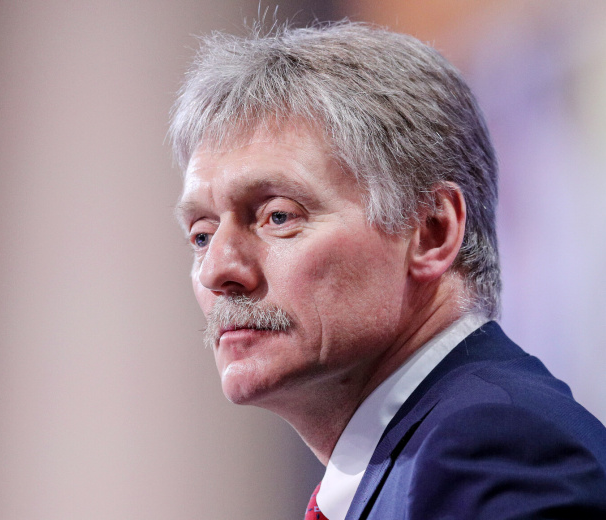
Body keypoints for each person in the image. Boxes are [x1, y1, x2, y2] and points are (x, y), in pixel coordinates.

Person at [170, 21, 606, 520]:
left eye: (279, 216)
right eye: (202, 235)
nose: (217, 270)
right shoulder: (423, 458)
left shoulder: (491, 450)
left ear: (432, 232)